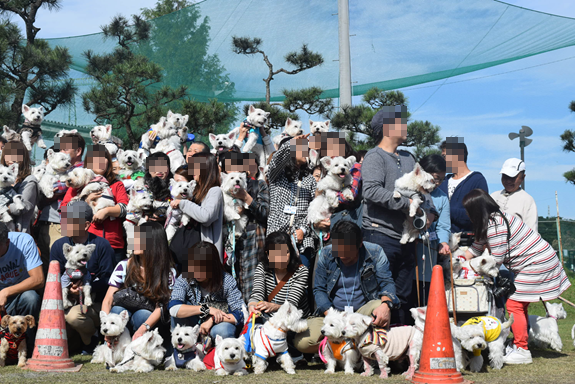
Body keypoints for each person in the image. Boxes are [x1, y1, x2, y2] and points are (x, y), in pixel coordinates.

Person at [462, 189, 571, 365]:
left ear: (476, 210)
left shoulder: (495, 225)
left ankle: (522, 350)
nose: (466, 214)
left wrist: (471, 268)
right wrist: (459, 258)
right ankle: (520, 343)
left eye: (468, 210)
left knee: (514, 304)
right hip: (537, 260)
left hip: (536, 262)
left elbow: (495, 260)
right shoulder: (492, 221)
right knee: (520, 303)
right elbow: (476, 247)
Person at [294, 221, 398, 354]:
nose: (342, 255)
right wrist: (331, 315)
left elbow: (387, 282)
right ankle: (347, 347)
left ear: (359, 244)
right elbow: (318, 289)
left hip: (361, 314)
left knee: (380, 305)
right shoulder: (326, 254)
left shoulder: (375, 252)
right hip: (333, 313)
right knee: (302, 342)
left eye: (347, 251)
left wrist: (385, 305)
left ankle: (360, 347)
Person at [361, 105, 419, 325]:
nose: (405, 125)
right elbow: (371, 191)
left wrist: (427, 211)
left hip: (406, 237)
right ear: (388, 127)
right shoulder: (374, 157)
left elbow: (421, 188)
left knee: (404, 295)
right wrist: (407, 204)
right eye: (400, 121)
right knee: (380, 296)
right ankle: (377, 352)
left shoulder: (408, 157)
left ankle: (401, 352)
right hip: (379, 236)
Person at [50, 201, 115, 353]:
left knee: (74, 317)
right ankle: (91, 338)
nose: (63, 222)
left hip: (95, 302)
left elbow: (108, 279)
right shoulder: (59, 246)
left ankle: (92, 339)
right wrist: (68, 289)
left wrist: (83, 288)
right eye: (63, 218)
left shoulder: (101, 245)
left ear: (86, 225)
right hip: (66, 300)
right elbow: (54, 278)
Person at [102, 222, 176, 347]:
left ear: (153, 243)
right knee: (116, 310)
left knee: (142, 315)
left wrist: (144, 327)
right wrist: (106, 327)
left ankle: (140, 347)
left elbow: (162, 306)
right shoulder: (124, 265)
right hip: (123, 311)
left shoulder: (168, 272)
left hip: (148, 317)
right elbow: (108, 300)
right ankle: (116, 346)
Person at [61, 144, 129, 264]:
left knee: (112, 281)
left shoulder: (116, 184)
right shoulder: (77, 185)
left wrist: (106, 211)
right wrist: (85, 201)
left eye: (103, 158)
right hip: (84, 245)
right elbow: (65, 212)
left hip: (114, 244)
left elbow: (125, 208)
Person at [219, 151, 269, 301]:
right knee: (230, 286)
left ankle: (253, 320)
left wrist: (245, 198)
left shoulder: (258, 185)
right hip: (227, 241)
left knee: (253, 287)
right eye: (229, 166)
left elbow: (265, 213)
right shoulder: (219, 189)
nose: (234, 169)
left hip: (252, 242)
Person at [169, 241, 244, 339]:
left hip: (218, 324)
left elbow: (240, 314)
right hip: (192, 325)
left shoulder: (226, 280)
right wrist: (206, 309)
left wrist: (212, 319)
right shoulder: (185, 278)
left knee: (223, 330)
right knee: (178, 315)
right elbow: (174, 309)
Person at [36, 133, 85, 273]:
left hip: (60, 226)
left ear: (78, 151)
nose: (61, 152)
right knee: (45, 267)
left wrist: (47, 189)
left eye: (65, 149)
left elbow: (58, 187)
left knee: (59, 267)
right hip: (46, 223)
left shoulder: (79, 171)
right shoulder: (61, 169)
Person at [266, 134, 316, 268]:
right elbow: (276, 161)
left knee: (300, 284)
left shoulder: (310, 180)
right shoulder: (276, 176)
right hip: (277, 237)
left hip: (302, 242)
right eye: (302, 148)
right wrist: (292, 142)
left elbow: (314, 210)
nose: (306, 151)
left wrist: (303, 230)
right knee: (277, 282)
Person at [170, 152, 224, 262]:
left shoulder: (215, 191)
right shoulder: (194, 191)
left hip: (203, 255)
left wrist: (182, 203)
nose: (192, 171)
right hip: (183, 251)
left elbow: (206, 217)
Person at [413, 155, 450, 305]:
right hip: (409, 247)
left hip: (428, 249)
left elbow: (443, 225)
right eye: (435, 178)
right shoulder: (411, 190)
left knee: (424, 291)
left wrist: (443, 242)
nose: (437, 183)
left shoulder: (442, 198)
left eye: (441, 179)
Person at [0, 222, 43, 353]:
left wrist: (5, 291)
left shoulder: (23, 241)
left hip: (20, 296)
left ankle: (28, 347)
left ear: (7, 242)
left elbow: (39, 279)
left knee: (30, 298)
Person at [248, 231, 309, 317]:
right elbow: (257, 293)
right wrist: (253, 306)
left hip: (296, 321)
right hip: (270, 320)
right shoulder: (262, 268)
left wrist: (274, 307)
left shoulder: (301, 271)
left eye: (285, 253)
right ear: (268, 254)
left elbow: (292, 304)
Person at [439, 137, 488, 233]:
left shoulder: (477, 180)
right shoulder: (442, 181)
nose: (442, 160)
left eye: (444, 156)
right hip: (441, 242)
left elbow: (478, 215)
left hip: (466, 241)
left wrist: (446, 211)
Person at [491, 158, 537, 232]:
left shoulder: (527, 200)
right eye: (505, 176)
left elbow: (532, 232)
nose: (508, 181)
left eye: (513, 177)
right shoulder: (493, 197)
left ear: (523, 177)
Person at [0, 141, 38, 233]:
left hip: (18, 232)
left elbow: (22, 208)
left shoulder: (29, 180)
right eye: (8, 154)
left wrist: (3, 207)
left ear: (24, 157)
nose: (12, 158)